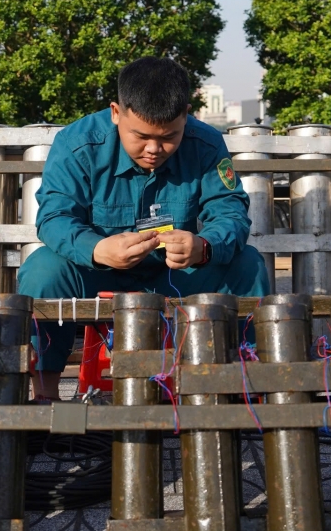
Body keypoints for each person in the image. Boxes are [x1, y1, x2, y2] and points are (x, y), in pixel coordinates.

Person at [18, 57, 271, 400]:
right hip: (98, 274)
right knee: (43, 269)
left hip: (174, 275)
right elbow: (53, 218)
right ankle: (45, 397)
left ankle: (245, 392)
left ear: (186, 114)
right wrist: (97, 249)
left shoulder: (207, 144)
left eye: (169, 137)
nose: (154, 149)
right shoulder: (76, 144)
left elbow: (231, 213)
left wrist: (204, 246)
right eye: (141, 136)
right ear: (115, 112)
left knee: (248, 264)